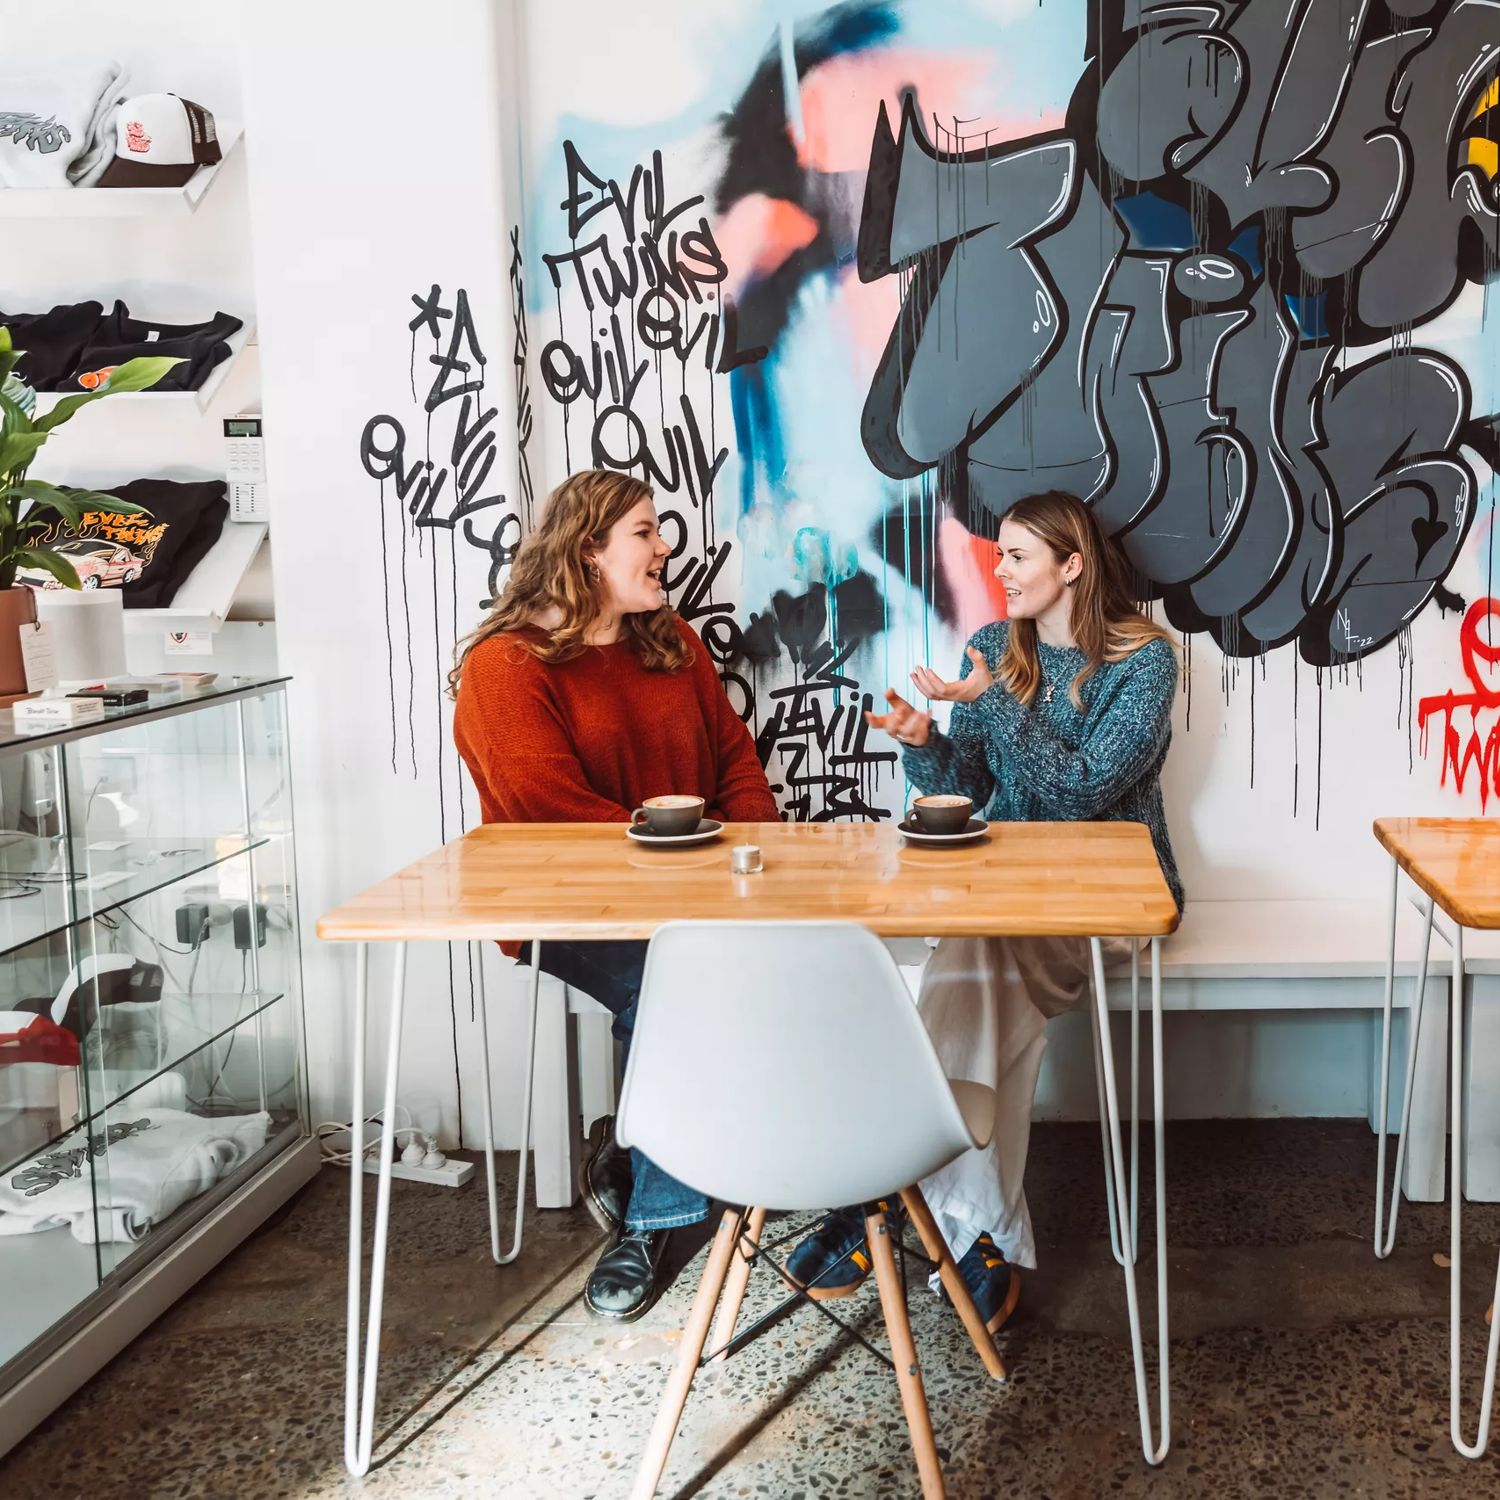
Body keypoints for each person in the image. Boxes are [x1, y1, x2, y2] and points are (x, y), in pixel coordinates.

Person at [786, 489, 1183, 1332]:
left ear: (1072, 566)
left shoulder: (1146, 661)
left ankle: (887, 1183)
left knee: (977, 951)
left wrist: (989, 696)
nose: (996, 570)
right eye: (997, 554)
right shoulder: (993, 646)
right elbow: (967, 798)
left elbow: (1080, 796)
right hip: (1001, 896)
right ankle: (978, 1233)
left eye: (1016, 556)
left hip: (1108, 903)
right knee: (984, 949)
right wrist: (925, 744)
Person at [450, 468, 779, 1322]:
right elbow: (549, 810)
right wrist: (701, 875)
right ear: (588, 550)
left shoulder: (670, 644)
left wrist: (761, 857)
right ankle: (657, 1216)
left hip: (698, 899)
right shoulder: (505, 666)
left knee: (776, 966)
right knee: (677, 979)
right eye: (645, 531)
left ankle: (642, 1158)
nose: (664, 546)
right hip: (565, 911)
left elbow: (735, 759)